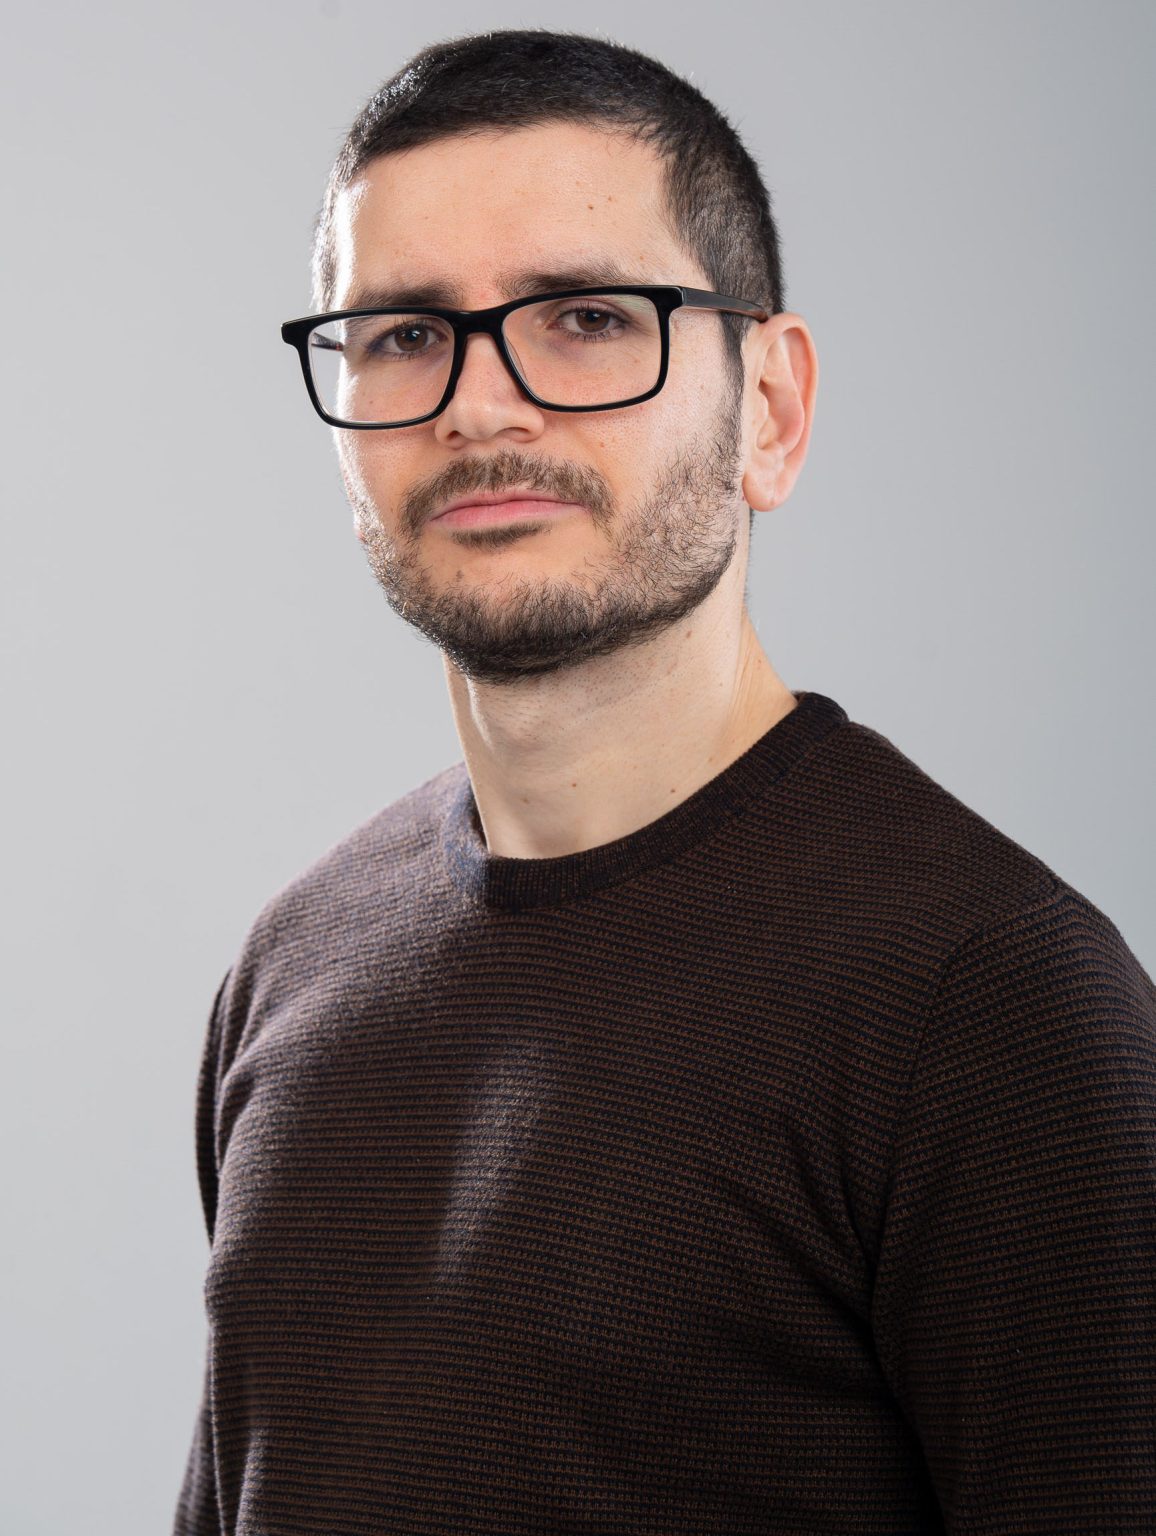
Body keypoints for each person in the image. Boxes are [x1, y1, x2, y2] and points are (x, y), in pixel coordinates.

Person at [173, 28, 1156, 1536]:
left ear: (770, 407)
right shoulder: (292, 968)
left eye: (584, 318)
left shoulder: (992, 1006)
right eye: (404, 333)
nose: (479, 406)